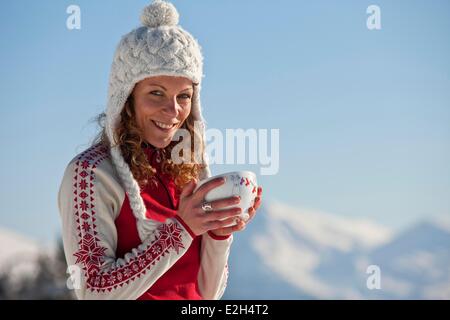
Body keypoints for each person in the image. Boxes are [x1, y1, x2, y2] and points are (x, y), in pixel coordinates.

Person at [57, 0, 263, 300]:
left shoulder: (185, 172)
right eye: (156, 93)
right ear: (126, 97)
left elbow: (206, 295)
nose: (173, 110)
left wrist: (218, 234)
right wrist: (181, 229)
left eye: (184, 96)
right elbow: (93, 289)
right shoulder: (91, 173)